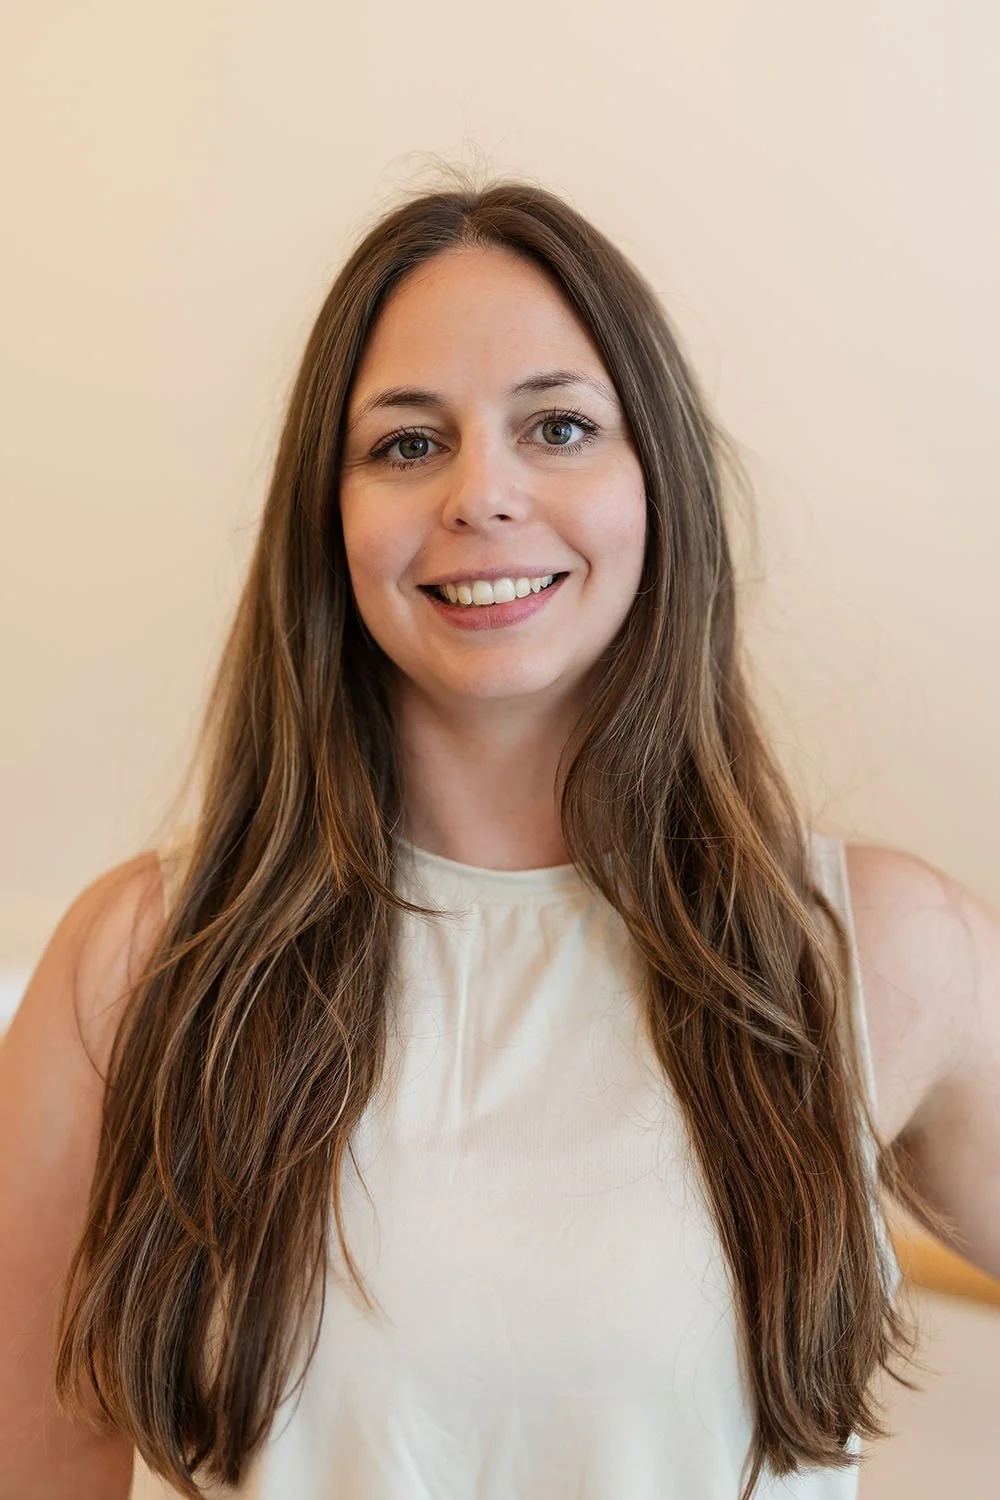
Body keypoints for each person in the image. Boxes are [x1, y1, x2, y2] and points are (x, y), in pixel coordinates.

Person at [1, 179, 997, 1500]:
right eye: (407, 445)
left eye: (560, 426)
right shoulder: (135, 964)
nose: (484, 493)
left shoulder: (877, 947)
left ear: (661, 486)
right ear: (329, 517)